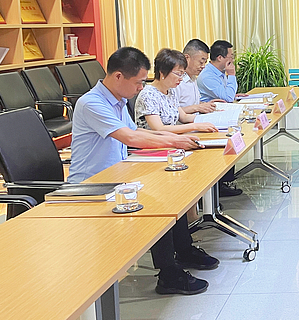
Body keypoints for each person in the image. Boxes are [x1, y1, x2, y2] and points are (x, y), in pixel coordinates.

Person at [68, 47, 218, 295]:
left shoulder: (117, 101)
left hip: (117, 176)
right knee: (160, 201)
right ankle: (169, 274)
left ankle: (183, 251)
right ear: (118, 76)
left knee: (172, 192)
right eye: (138, 82)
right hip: (92, 187)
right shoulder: (92, 103)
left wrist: (175, 138)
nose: (141, 88)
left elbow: (139, 132)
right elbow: (130, 137)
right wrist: (175, 140)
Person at [134, 48, 218, 134]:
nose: (181, 79)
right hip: (154, 140)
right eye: (178, 74)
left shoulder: (170, 91)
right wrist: (195, 126)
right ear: (162, 72)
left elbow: (183, 117)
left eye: (182, 74)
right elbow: (159, 129)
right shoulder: (148, 95)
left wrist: (212, 119)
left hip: (172, 138)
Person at [176, 39, 218, 115]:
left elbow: (192, 103)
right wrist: (197, 107)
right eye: (201, 62)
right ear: (187, 58)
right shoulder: (176, 80)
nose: (203, 66)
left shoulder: (193, 77)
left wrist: (206, 104)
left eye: (205, 63)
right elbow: (172, 111)